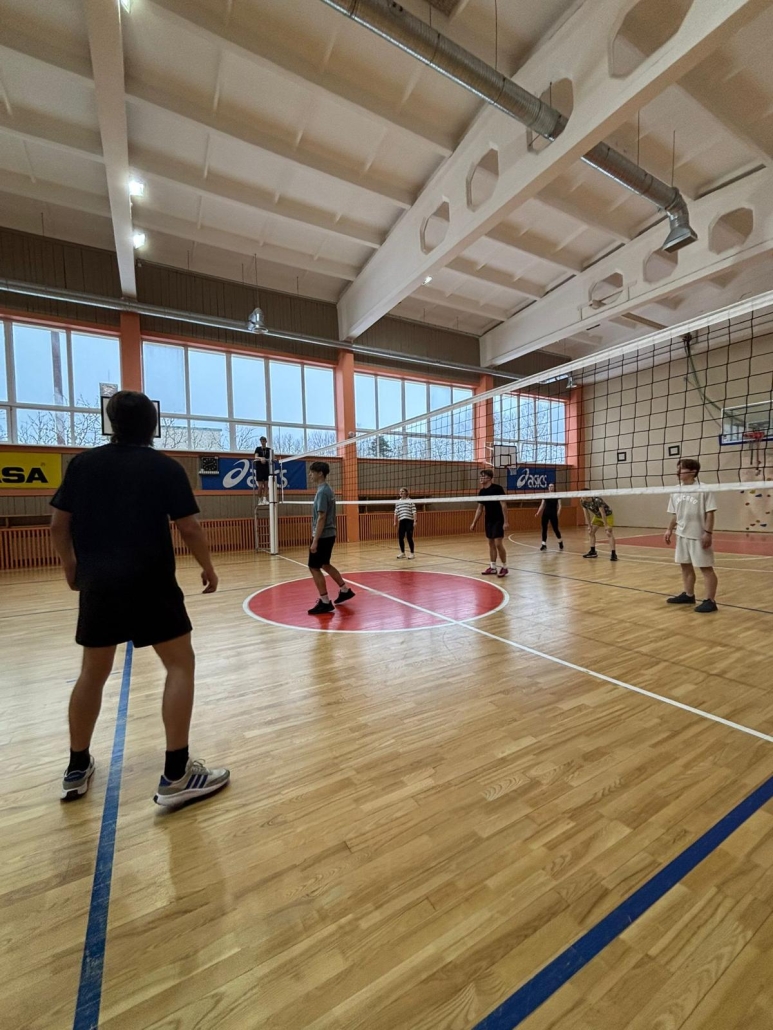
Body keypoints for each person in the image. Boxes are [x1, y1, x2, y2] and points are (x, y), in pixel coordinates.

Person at [49, 390, 230, 807]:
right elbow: (190, 528)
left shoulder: (82, 464)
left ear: (111, 423)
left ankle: (76, 767)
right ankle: (177, 774)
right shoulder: (165, 467)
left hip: (99, 584)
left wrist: (70, 566)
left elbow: (58, 524)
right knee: (180, 664)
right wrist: (208, 566)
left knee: (92, 673)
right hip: (151, 583)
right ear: (153, 425)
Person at [664, 458, 718, 613]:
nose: (678, 472)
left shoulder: (703, 489)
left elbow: (710, 513)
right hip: (681, 534)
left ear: (693, 471)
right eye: (677, 468)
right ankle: (689, 595)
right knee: (685, 566)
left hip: (698, 535)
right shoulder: (676, 490)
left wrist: (708, 533)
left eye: (681, 469)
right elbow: (676, 514)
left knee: (706, 568)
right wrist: (669, 529)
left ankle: (710, 601)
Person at [307, 460, 355, 615]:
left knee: (314, 567)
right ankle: (345, 590)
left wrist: (315, 541)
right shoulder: (327, 489)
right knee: (325, 564)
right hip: (329, 534)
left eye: (312, 472)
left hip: (323, 536)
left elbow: (322, 517)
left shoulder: (323, 492)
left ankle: (325, 602)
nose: (310, 475)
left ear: (320, 473)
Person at [470, 469, 509, 577]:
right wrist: (474, 522)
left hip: (498, 519)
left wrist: (506, 521)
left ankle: (505, 567)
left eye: (483, 476)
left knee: (498, 543)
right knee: (491, 543)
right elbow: (480, 508)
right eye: (480, 476)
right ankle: (493, 567)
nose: (481, 478)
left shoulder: (497, 488)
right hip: (489, 520)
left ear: (489, 478)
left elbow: (503, 505)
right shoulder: (482, 492)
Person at [581, 496, 618, 561]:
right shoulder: (582, 501)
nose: (582, 497)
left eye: (583, 495)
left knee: (608, 533)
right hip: (597, 516)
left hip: (607, 515)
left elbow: (602, 513)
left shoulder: (597, 500)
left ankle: (613, 554)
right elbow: (586, 514)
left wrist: (606, 525)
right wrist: (589, 525)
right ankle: (593, 552)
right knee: (591, 532)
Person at [535, 483, 564, 551]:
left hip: (553, 514)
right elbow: (542, 505)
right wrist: (538, 512)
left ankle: (560, 542)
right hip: (545, 513)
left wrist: (558, 511)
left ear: (554, 487)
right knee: (544, 529)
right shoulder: (545, 495)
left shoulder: (557, 495)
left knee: (555, 529)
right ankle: (543, 544)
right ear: (548, 488)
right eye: (550, 486)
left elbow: (560, 505)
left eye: (552, 486)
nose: (551, 487)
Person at [394, 487, 417, 559]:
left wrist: (415, 521)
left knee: (409, 537)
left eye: (403, 491)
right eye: (400, 491)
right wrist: (395, 521)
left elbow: (414, 512)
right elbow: (396, 512)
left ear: (406, 492)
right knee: (400, 537)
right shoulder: (398, 502)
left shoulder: (410, 501)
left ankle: (412, 553)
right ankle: (402, 553)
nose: (401, 492)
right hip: (402, 521)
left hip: (409, 521)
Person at [253, 435, 271, 505]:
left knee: (266, 484)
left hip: (266, 468)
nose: (263, 442)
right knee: (260, 485)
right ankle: (259, 500)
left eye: (264, 441)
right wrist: (261, 458)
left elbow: (273, 457)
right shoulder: (258, 449)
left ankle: (264, 499)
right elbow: (256, 457)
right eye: (261, 441)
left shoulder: (269, 449)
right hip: (259, 468)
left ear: (266, 441)